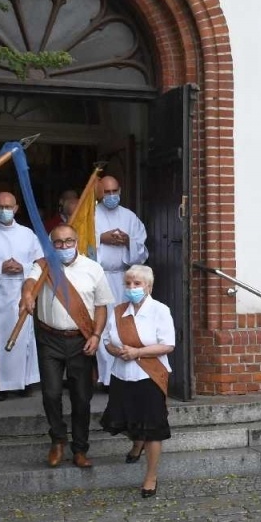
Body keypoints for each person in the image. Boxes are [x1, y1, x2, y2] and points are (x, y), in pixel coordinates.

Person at [20, 225, 112, 468]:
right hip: (50, 339)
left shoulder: (93, 269)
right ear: (51, 245)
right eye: (58, 243)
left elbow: (102, 305)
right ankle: (58, 439)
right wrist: (27, 295)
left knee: (81, 398)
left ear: (77, 241)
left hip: (81, 340)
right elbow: (28, 283)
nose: (64, 247)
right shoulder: (43, 266)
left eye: (68, 241)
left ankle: (80, 449)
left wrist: (96, 334)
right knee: (50, 394)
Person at [99, 265, 175, 496]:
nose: (131, 288)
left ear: (148, 287)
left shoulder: (160, 310)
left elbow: (168, 344)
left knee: (153, 428)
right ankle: (137, 441)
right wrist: (115, 350)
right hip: (122, 375)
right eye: (128, 283)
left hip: (149, 375)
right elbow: (106, 340)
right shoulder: (118, 311)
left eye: (137, 284)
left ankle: (150, 477)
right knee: (122, 420)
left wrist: (137, 353)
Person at [0, 191, 44, 400]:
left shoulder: (28, 234)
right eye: (0, 207)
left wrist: (23, 267)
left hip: (22, 291)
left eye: (8, 207)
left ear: (16, 208)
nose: (4, 211)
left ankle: (23, 382)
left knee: (24, 339)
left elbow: (41, 262)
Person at [92, 174, 149, 386]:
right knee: (104, 326)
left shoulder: (130, 217)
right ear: (99, 193)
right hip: (100, 278)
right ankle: (106, 377)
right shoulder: (91, 216)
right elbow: (81, 245)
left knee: (124, 325)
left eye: (115, 191)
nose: (111, 196)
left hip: (123, 279)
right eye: (107, 192)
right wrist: (101, 239)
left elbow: (142, 249)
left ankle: (124, 375)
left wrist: (128, 242)